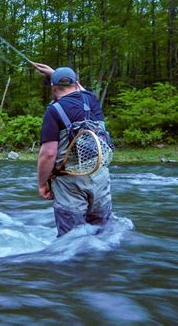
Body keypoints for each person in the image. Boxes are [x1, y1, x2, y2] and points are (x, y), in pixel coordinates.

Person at [32, 62, 112, 237]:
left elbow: (48, 154)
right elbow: (78, 88)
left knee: (72, 240)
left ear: (53, 87)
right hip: (100, 178)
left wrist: (42, 184)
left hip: (70, 185)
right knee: (103, 235)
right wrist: (55, 73)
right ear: (76, 83)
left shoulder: (53, 111)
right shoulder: (91, 99)